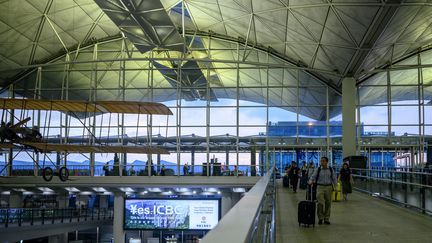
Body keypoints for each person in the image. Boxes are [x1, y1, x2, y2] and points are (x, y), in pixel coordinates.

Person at [308, 156, 337, 225]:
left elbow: (334, 178)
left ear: (327, 162)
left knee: (328, 203)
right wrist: (310, 181)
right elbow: (313, 176)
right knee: (320, 202)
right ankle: (320, 218)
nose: (322, 162)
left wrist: (335, 187)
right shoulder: (318, 169)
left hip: (329, 187)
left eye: (324, 161)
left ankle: (326, 218)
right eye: (321, 161)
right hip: (320, 186)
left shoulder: (330, 169)